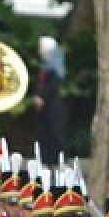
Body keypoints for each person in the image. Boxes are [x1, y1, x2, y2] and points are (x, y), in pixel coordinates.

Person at [33, 36, 66, 165]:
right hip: (42, 106)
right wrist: (37, 96)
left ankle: (60, 159)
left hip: (52, 105)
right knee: (43, 132)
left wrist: (42, 97)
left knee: (55, 132)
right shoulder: (43, 66)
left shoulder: (56, 69)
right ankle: (45, 159)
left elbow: (53, 85)